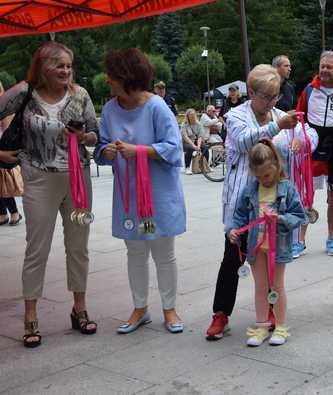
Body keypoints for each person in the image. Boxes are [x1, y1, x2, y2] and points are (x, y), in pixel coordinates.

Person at [0, 42, 99, 348]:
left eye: (69, 65)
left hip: (78, 181)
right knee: (37, 248)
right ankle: (30, 316)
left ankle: (79, 308)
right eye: (59, 65)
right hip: (39, 180)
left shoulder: (80, 94)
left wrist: (84, 136)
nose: (66, 71)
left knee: (78, 246)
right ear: (43, 67)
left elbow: (96, 132)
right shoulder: (24, 92)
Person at [205, 64, 300, 341]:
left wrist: (302, 143)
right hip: (243, 202)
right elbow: (246, 141)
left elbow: (305, 134)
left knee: (271, 259)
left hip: (273, 204)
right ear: (251, 92)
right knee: (232, 256)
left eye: (275, 96)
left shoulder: (280, 115)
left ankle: (271, 313)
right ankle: (221, 313)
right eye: (266, 96)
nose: (271, 102)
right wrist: (277, 126)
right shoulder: (236, 115)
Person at [95, 48, 186, 334]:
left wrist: (141, 151)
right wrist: (105, 151)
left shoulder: (157, 106)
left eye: (112, 76)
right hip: (129, 196)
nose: (107, 81)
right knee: (134, 251)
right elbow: (100, 148)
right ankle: (140, 308)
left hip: (157, 196)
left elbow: (174, 148)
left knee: (163, 252)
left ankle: (169, 309)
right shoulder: (110, 109)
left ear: (127, 77)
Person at [228, 139, 305, 346]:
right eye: (259, 176)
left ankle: (280, 326)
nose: (264, 180)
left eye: (268, 175)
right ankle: (261, 325)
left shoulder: (287, 189)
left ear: (277, 166)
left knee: (276, 285)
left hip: (277, 247)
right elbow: (240, 215)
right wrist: (233, 230)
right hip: (256, 247)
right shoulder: (251, 189)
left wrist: (280, 218)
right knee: (260, 286)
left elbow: (299, 215)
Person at [295, 51, 333, 257]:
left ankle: (331, 238)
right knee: (307, 196)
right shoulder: (309, 90)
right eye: (322, 66)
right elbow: (300, 117)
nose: (324, 70)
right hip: (313, 147)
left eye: (329, 67)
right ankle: (300, 241)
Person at [0, 80, 23, 226]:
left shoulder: (5, 105)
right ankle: (2, 213)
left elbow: (8, 130)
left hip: (2, 146)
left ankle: (14, 212)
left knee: (4, 184)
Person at [181, 108, 209, 174]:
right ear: (187, 116)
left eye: (193, 116)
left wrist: (198, 146)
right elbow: (185, 137)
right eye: (190, 116)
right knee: (190, 148)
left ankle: (205, 166)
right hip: (186, 142)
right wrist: (194, 146)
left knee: (204, 147)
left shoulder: (198, 124)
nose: (192, 117)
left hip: (196, 141)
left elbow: (200, 136)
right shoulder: (184, 124)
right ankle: (187, 167)